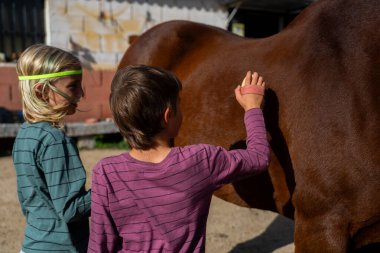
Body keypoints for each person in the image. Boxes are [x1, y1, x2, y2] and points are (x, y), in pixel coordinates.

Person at [88, 65, 270, 252]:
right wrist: (253, 107)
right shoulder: (200, 160)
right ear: (168, 115)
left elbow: (99, 245)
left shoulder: (105, 172)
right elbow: (258, 157)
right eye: (179, 104)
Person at [12, 44, 91, 253]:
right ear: (42, 91)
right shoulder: (55, 140)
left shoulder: (24, 134)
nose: (81, 93)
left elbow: (28, 200)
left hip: (32, 245)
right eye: (73, 86)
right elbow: (71, 209)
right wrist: (109, 188)